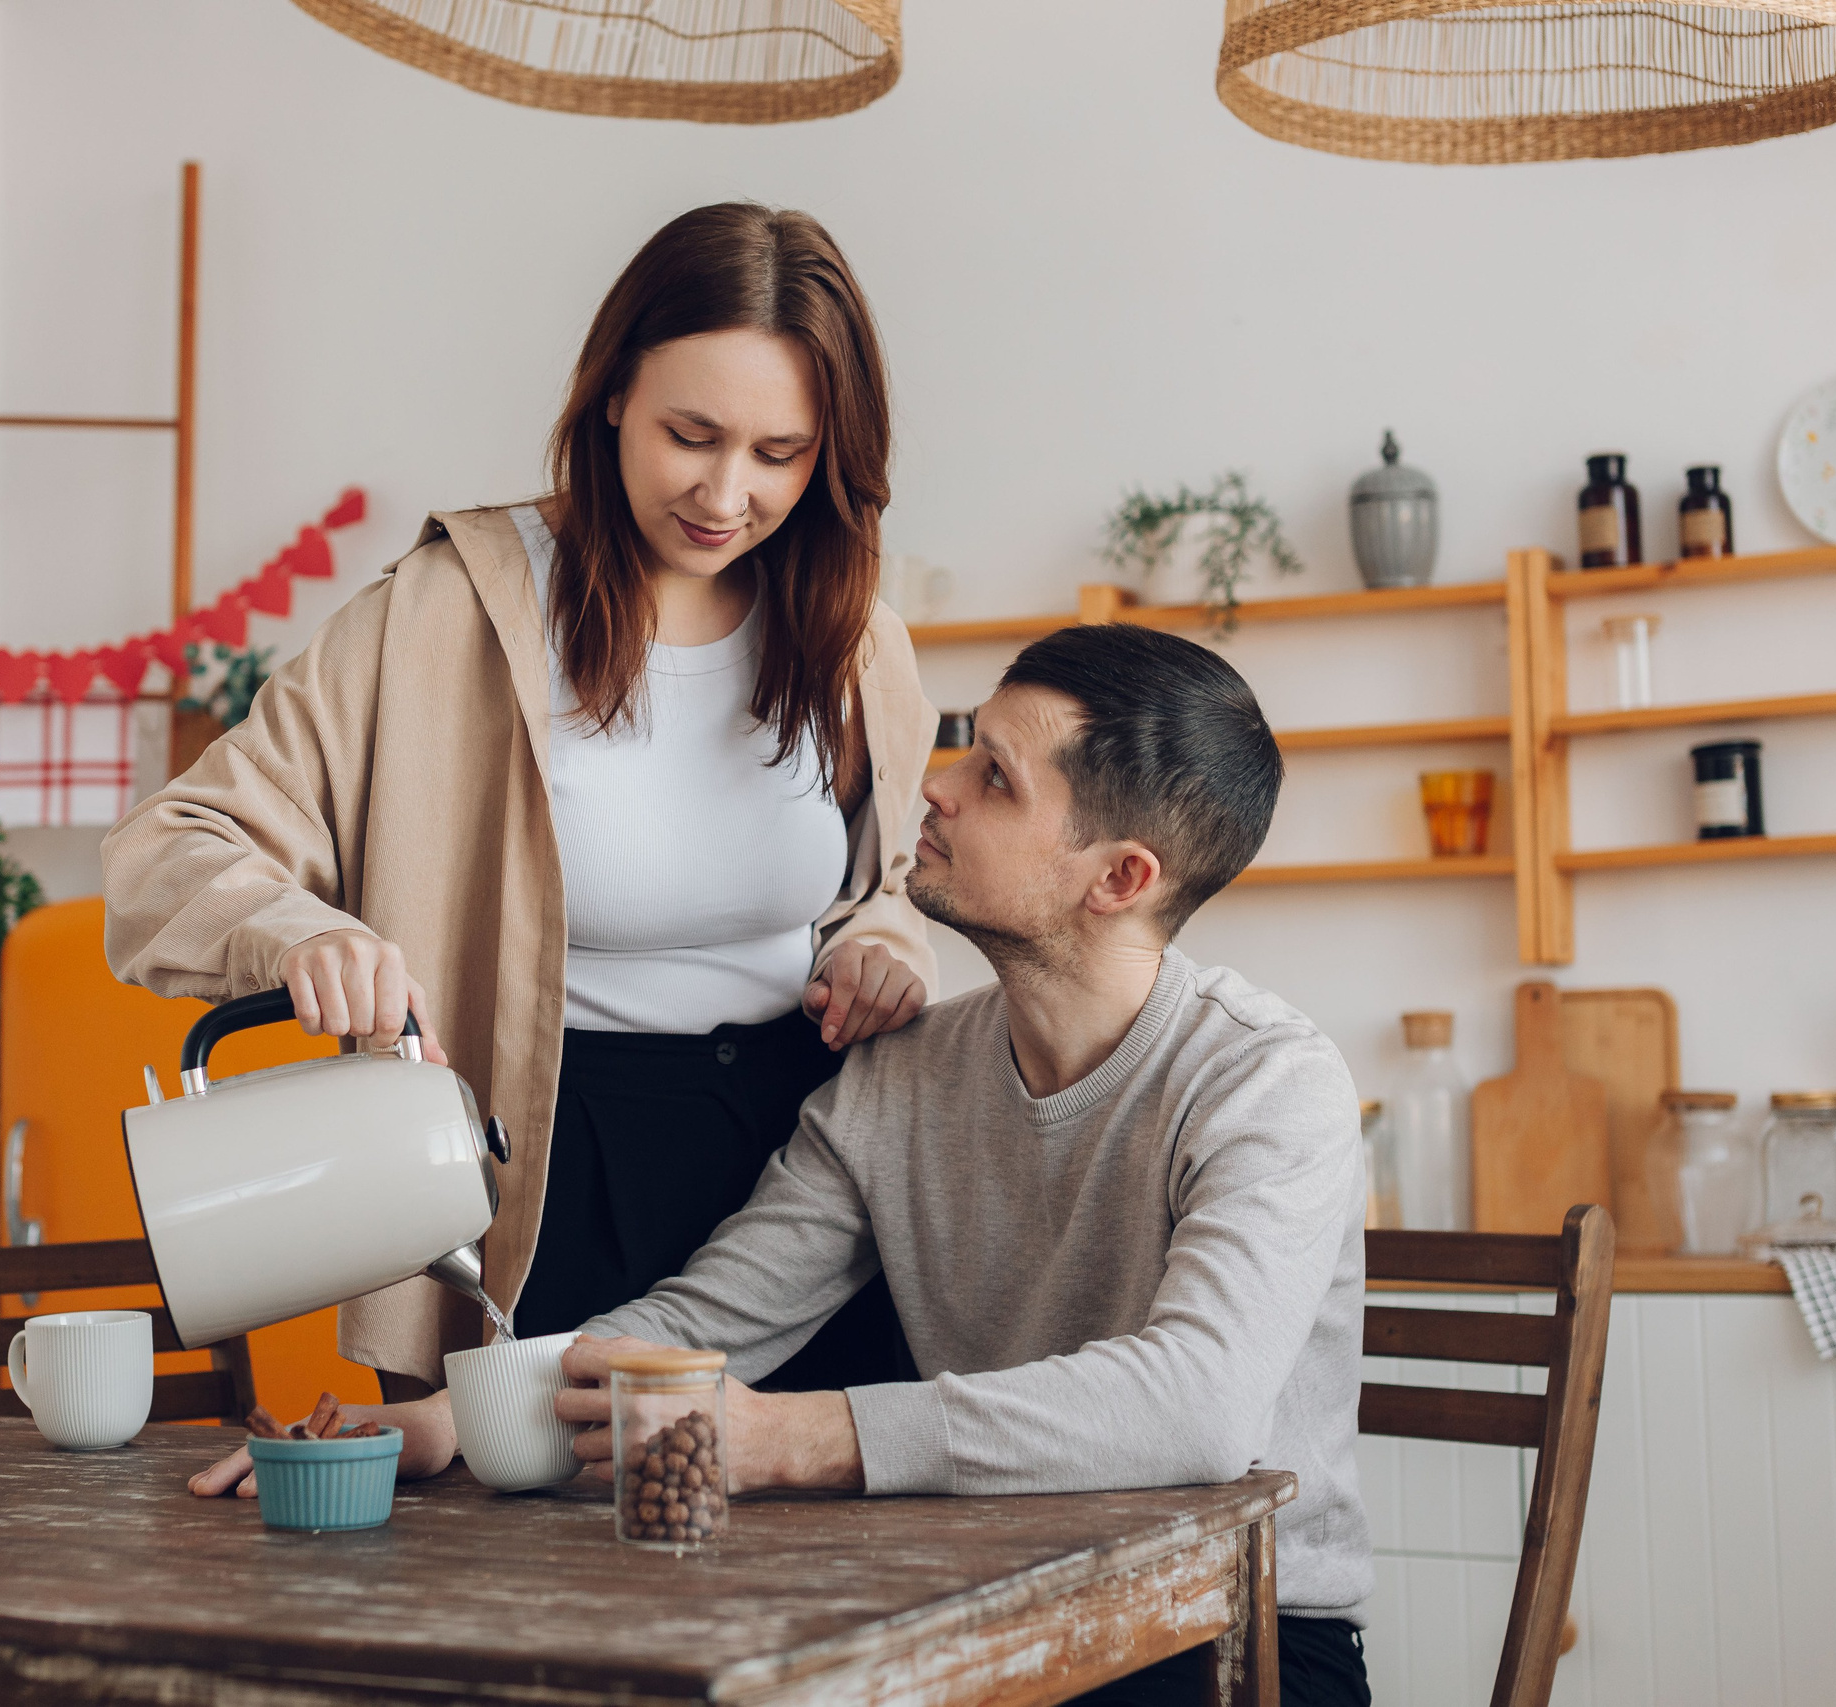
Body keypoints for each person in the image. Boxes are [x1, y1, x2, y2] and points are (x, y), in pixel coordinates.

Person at [209, 622, 1370, 1705]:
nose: (937, 784)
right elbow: (714, 1314)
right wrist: (469, 1425)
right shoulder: (906, 1076)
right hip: (996, 1617)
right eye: (967, 749)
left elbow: (1200, 1408)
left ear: (1118, 877)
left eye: (996, 779)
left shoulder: (1270, 1085)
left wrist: (787, 1441)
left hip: (1232, 1636)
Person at [104, 202, 936, 1410]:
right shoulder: (450, 611)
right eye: (688, 434)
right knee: (525, 1571)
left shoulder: (855, 636)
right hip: (540, 1171)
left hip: (807, 1174)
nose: (724, 492)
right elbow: (164, 852)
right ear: (610, 397)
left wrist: (882, 941)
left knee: (831, 1570)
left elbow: (887, 884)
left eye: (780, 454)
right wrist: (301, 934)